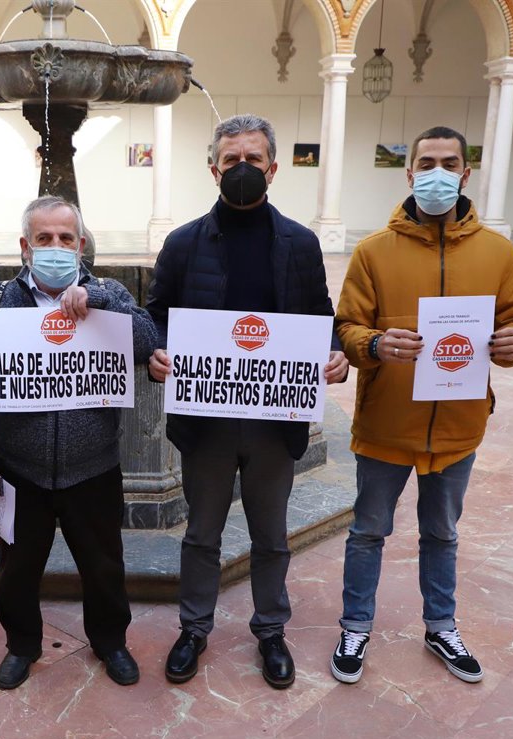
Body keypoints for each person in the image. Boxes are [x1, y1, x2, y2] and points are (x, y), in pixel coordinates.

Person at [146, 114, 349, 689]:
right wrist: (155, 350)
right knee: (201, 534)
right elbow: (155, 314)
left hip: (274, 419)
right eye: (231, 160)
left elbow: (320, 315)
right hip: (205, 419)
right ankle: (193, 629)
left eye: (252, 159)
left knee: (270, 536)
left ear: (272, 168)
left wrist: (335, 351)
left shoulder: (300, 243)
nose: (242, 168)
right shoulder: (183, 243)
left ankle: (271, 631)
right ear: (214, 170)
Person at [329, 126, 513, 685]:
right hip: (386, 424)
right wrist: (375, 344)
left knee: (442, 534)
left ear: (465, 173)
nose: (436, 173)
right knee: (368, 532)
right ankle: (355, 627)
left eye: (448, 163)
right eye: (426, 163)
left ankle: (441, 626)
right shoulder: (373, 251)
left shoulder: (497, 252)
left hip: (457, 427)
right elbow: (347, 327)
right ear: (409, 172)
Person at [0, 196, 157, 690]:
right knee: (16, 571)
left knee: (104, 566)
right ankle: (21, 646)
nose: (55, 247)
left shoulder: (108, 292)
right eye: (43, 238)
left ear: (81, 245)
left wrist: (100, 303)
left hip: (93, 469)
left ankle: (110, 642)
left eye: (65, 238)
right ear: (25, 246)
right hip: (19, 469)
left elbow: (147, 340)